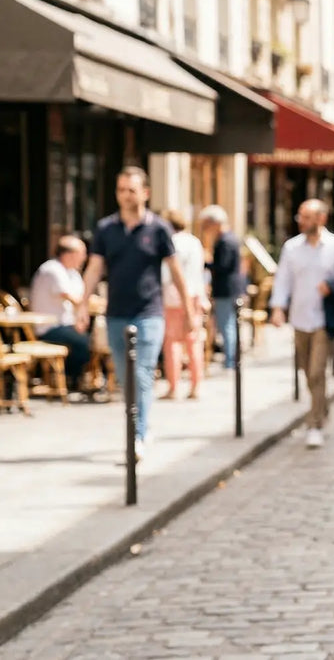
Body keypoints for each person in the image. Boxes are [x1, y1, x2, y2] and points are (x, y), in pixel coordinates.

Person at [78, 167, 193, 458]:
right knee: (124, 377)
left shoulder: (158, 229)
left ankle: (137, 434)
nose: (125, 196)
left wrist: (189, 310)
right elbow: (94, 269)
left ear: (145, 193)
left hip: (149, 313)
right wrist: (82, 304)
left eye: (131, 190)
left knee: (141, 373)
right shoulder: (106, 229)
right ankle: (138, 427)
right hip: (116, 313)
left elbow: (176, 272)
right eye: (120, 190)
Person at [269, 199, 334, 449]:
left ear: (321, 219)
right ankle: (323, 407)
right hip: (299, 318)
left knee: (317, 372)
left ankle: (314, 423)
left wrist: (332, 287)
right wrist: (278, 308)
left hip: (324, 320)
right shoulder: (292, 247)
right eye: (300, 216)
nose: (301, 221)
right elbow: (283, 279)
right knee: (307, 371)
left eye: (306, 217)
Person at [29, 236, 90, 390]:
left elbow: (81, 298)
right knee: (85, 343)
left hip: (65, 324)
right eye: (82, 253)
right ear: (69, 254)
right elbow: (75, 299)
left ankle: (75, 379)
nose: (84, 258)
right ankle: (70, 380)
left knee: (87, 338)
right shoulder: (52, 270)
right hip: (48, 327)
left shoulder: (71, 273)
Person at [160, 210, 207, 400]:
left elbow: (165, 274)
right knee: (193, 340)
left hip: (172, 296)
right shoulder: (194, 242)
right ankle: (196, 385)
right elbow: (199, 272)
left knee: (172, 342)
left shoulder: (170, 242)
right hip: (194, 294)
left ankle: (173, 386)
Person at [199, 205, 244, 370]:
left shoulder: (225, 240)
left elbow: (222, 266)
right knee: (228, 324)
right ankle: (231, 358)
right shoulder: (229, 238)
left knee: (227, 325)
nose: (206, 230)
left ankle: (230, 360)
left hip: (226, 289)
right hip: (229, 288)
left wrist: (205, 263)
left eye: (206, 225)